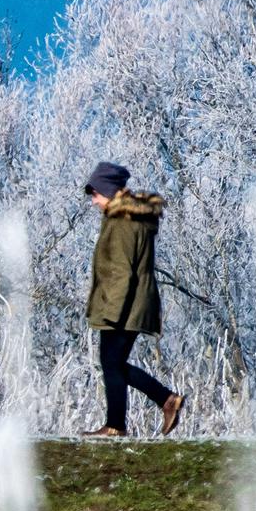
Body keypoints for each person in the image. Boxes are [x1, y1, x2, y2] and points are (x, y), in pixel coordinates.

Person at [82, 161, 184, 437]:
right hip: (128, 303)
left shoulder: (123, 221)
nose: (94, 201)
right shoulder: (126, 218)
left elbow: (122, 271)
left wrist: (111, 312)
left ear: (109, 191)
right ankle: (157, 404)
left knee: (112, 363)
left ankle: (126, 420)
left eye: (96, 195)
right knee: (113, 364)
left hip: (123, 305)